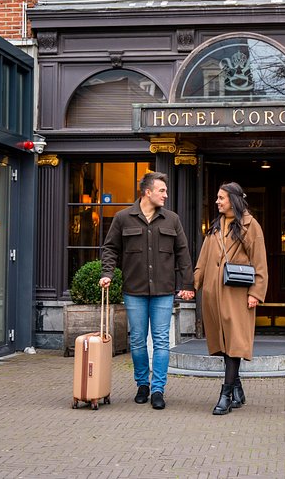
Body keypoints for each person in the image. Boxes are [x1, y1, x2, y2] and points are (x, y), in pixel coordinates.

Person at [100, 172, 195, 410]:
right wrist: (107, 273)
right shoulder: (123, 218)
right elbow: (110, 248)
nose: (165, 195)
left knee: (161, 340)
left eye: (166, 190)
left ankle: (158, 389)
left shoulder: (172, 219)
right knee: (138, 341)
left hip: (163, 291)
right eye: (162, 190)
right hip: (134, 290)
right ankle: (142, 384)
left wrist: (187, 285)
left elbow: (183, 253)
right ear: (147, 192)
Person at [194, 182, 268, 415]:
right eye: (217, 197)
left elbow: (260, 262)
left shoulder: (250, 226)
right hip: (213, 294)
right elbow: (203, 260)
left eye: (221, 198)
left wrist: (255, 293)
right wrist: (192, 286)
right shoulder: (216, 226)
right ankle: (237, 389)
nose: (217, 201)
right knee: (224, 343)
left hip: (238, 295)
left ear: (233, 200)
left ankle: (225, 395)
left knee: (234, 343)